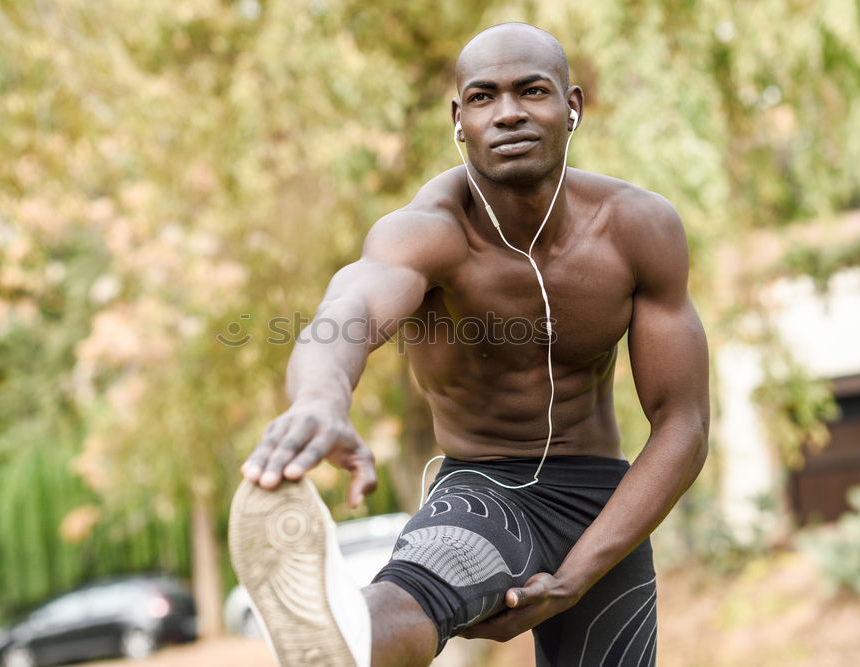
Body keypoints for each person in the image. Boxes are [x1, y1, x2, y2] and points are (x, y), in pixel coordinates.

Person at [230, 21, 709, 667]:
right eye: (483, 97)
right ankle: (342, 641)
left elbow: (683, 421)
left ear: (572, 106)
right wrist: (319, 401)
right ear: (460, 119)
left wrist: (577, 576)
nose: (508, 113)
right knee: (412, 595)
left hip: (603, 501)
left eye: (532, 91)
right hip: (484, 486)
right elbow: (348, 310)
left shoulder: (637, 229)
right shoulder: (427, 232)